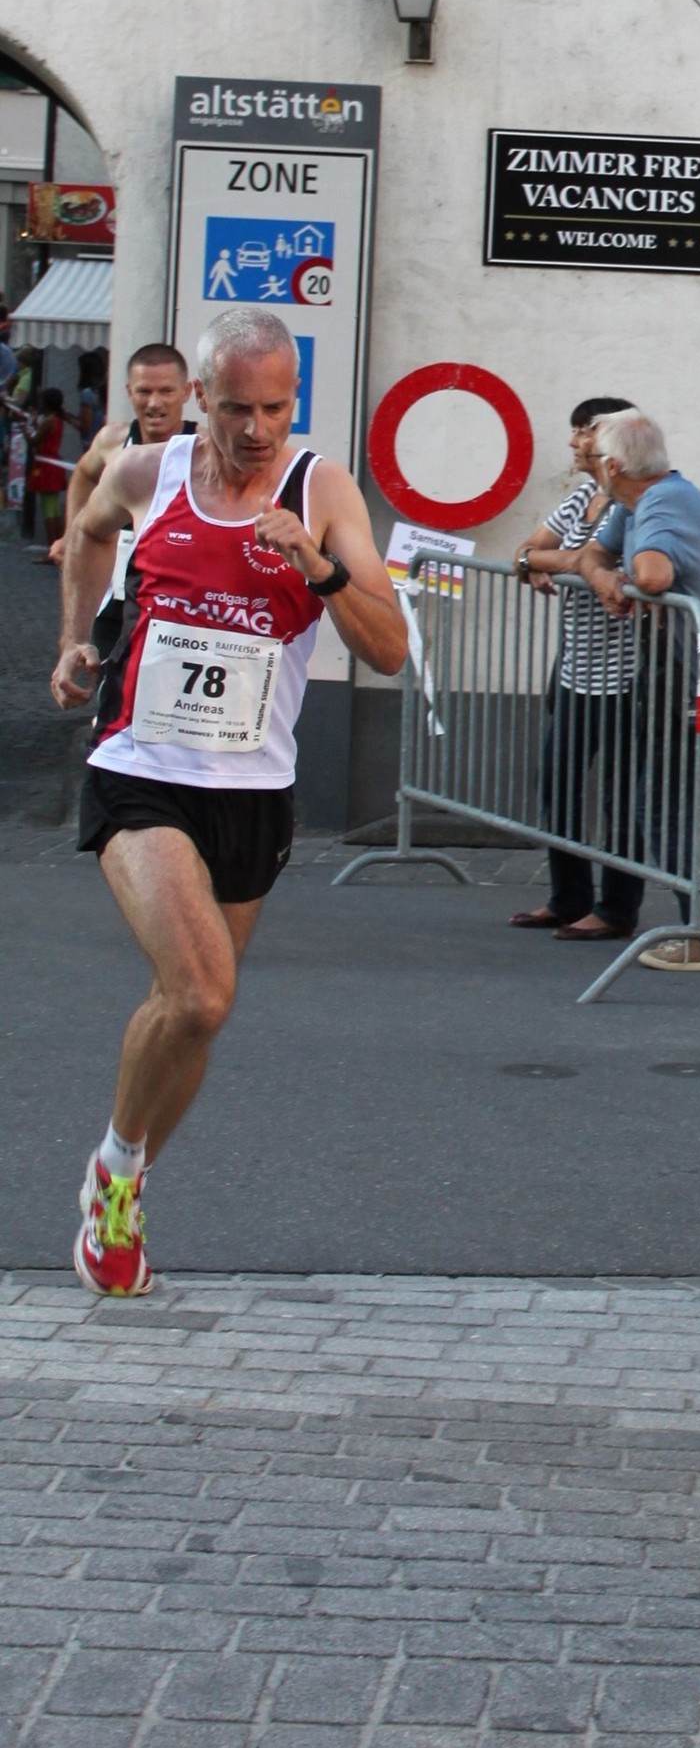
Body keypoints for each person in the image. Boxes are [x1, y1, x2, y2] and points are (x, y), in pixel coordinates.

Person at [50, 307, 407, 1297]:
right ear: (200, 397)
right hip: (140, 767)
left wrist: (316, 562)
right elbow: (84, 525)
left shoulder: (319, 486)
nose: (257, 427)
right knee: (202, 986)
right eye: (238, 406)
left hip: (254, 789)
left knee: (196, 1014)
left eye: (277, 405)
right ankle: (114, 1178)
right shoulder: (148, 472)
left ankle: (124, 1176)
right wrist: (76, 637)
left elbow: (388, 647)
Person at [577, 410, 700, 972]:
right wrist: (605, 578)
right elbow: (590, 554)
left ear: (611, 466)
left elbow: (653, 575)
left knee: (666, 810)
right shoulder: (639, 503)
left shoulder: (662, 504)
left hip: (699, 684)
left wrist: (627, 577)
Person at [506, 395, 645, 941]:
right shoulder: (584, 497)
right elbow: (528, 550)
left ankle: (616, 910)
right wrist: (574, 564)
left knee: (619, 795)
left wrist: (560, 563)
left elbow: (618, 565)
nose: (572, 442)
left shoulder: (634, 505)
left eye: (584, 431)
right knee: (557, 783)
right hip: (575, 672)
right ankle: (568, 899)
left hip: (626, 677)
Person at [50, 347, 197, 654]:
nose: (155, 403)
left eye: (166, 391)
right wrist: (71, 531)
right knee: (110, 691)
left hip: (177, 606)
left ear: (186, 392)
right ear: (130, 392)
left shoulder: (204, 449)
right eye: (144, 391)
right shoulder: (112, 441)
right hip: (115, 598)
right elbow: (85, 474)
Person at [26, 386, 73, 558]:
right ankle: (60, 549)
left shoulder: (48, 420)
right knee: (54, 509)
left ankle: (51, 551)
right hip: (54, 464)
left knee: (48, 510)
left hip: (46, 465)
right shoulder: (58, 419)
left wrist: (25, 428)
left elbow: (34, 440)